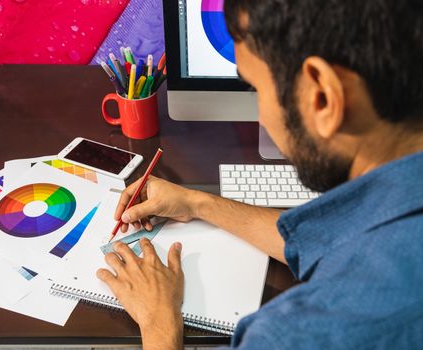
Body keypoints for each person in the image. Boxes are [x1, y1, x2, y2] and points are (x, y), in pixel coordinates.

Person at [96, 1, 423, 349]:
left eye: (255, 88)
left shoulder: (293, 335)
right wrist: (197, 202)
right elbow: (327, 240)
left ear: (323, 96)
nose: (261, 118)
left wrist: (159, 321)